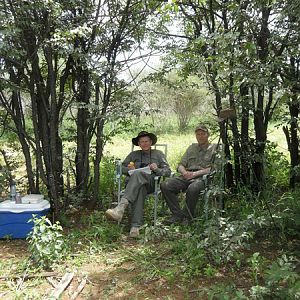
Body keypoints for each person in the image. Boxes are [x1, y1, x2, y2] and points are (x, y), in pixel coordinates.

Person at [105, 131, 171, 237]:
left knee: (138, 174)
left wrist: (157, 169)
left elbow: (167, 172)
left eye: (146, 141)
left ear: (151, 142)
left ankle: (121, 208)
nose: (144, 144)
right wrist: (129, 169)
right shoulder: (133, 155)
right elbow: (120, 168)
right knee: (140, 189)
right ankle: (135, 227)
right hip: (136, 186)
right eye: (142, 142)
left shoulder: (158, 154)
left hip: (150, 183)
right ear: (139, 144)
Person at [160, 124, 217, 224]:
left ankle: (188, 216)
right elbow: (181, 164)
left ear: (208, 135)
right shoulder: (191, 148)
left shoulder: (214, 148)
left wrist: (195, 174)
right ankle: (177, 215)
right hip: (186, 175)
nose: (200, 136)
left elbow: (214, 168)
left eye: (203, 134)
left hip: (202, 178)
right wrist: (184, 172)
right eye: (198, 134)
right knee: (165, 185)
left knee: (193, 188)